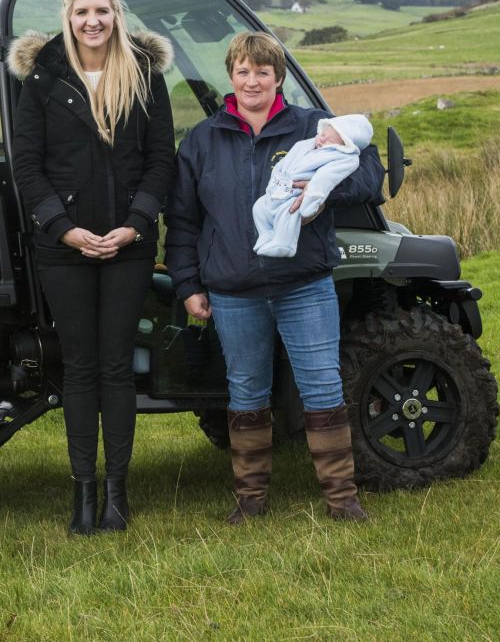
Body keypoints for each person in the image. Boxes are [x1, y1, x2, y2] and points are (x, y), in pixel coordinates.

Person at [164, 31, 385, 524]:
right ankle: (250, 501)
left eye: (262, 72)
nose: (252, 81)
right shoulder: (203, 139)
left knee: (323, 387)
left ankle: (343, 499)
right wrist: (188, 284)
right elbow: (182, 221)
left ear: (278, 77)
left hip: (303, 283)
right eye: (243, 71)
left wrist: (326, 190)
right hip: (233, 289)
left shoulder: (312, 126)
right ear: (231, 77)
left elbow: (371, 176)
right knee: (245, 392)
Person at [9, 0, 176, 534]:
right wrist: (63, 229)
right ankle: (83, 493)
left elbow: (160, 162)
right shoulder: (42, 79)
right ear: (68, 16)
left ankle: (117, 495)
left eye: (102, 10)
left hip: (129, 247)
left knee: (116, 368)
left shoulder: (145, 77)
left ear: (116, 15)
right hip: (63, 249)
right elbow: (27, 166)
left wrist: (134, 225)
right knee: (79, 369)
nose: (93, 21)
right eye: (83, 12)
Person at [252, 114, 373, 257]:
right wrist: (274, 183)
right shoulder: (305, 146)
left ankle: (284, 243)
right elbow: (282, 163)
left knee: (289, 213)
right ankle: (266, 235)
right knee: (259, 207)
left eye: (330, 140)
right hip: (278, 190)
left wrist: (313, 200)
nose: (321, 139)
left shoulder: (342, 159)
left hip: (295, 197)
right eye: (322, 134)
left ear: (345, 146)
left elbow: (324, 180)